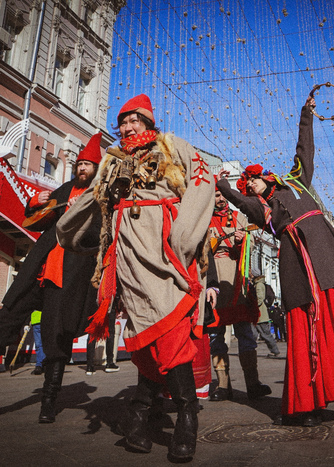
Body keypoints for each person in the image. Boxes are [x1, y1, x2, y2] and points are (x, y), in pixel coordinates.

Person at [57, 94, 214, 461]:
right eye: (123, 122)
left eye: (134, 121)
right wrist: (68, 230)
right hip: (126, 254)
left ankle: (186, 416)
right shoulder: (113, 160)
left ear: (148, 122)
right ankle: (139, 418)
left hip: (164, 250)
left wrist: (183, 238)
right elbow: (92, 199)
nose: (127, 127)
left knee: (170, 332)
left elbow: (204, 181)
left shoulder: (172, 145)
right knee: (142, 336)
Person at [216, 96, 334, 427]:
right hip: (297, 266)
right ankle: (303, 404)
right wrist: (222, 184)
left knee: (331, 326)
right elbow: (239, 200)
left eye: (253, 179)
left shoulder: (297, 181)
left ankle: (326, 393)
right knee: (302, 330)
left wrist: (307, 115)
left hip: (323, 261)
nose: (251, 185)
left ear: (267, 176)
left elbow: (305, 151)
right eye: (248, 184)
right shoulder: (261, 209)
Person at [0, 133, 103, 424]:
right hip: (38, 270)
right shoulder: (65, 189)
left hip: (67, 277)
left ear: (96, 168)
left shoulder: (99, 196)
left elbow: (99, 236)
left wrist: (77, 217)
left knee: (56, 338)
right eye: (80, 164)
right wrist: (34, 201)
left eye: (88, 165)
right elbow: (37, 219)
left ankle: (49, 402)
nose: (82, 168)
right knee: (6, 318)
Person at [206, 187, 272, 402]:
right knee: (216, 336)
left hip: (237, 281)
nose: (221, 199)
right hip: (215, 281)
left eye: (223, 195)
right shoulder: (204, 219)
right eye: (216, 195)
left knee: (245, 333)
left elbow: (250, 246)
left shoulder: (238, 217)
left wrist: (240, 241)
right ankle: (223, 386)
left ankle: (253, 383)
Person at [85, 309, 121, 375]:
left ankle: (89, 366)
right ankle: (109, 363)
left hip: (95, 306)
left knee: (92, 333)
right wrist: (118, 309)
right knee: (110, 332)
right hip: (108, 306)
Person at [253, 273, 281, 358]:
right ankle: (249, 350)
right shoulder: (260, 284)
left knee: (265, 334)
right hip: (259, 314)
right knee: (254, 334)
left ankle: (275, 350)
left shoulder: (258, 285)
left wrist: (253, 306)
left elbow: (260, 298)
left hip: (260, 314)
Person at [31, 310, 45, 375]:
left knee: (39, 345)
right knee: (39, 345)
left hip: (39, 322)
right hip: (37, 322)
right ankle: (41, 365)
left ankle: (40, 365)